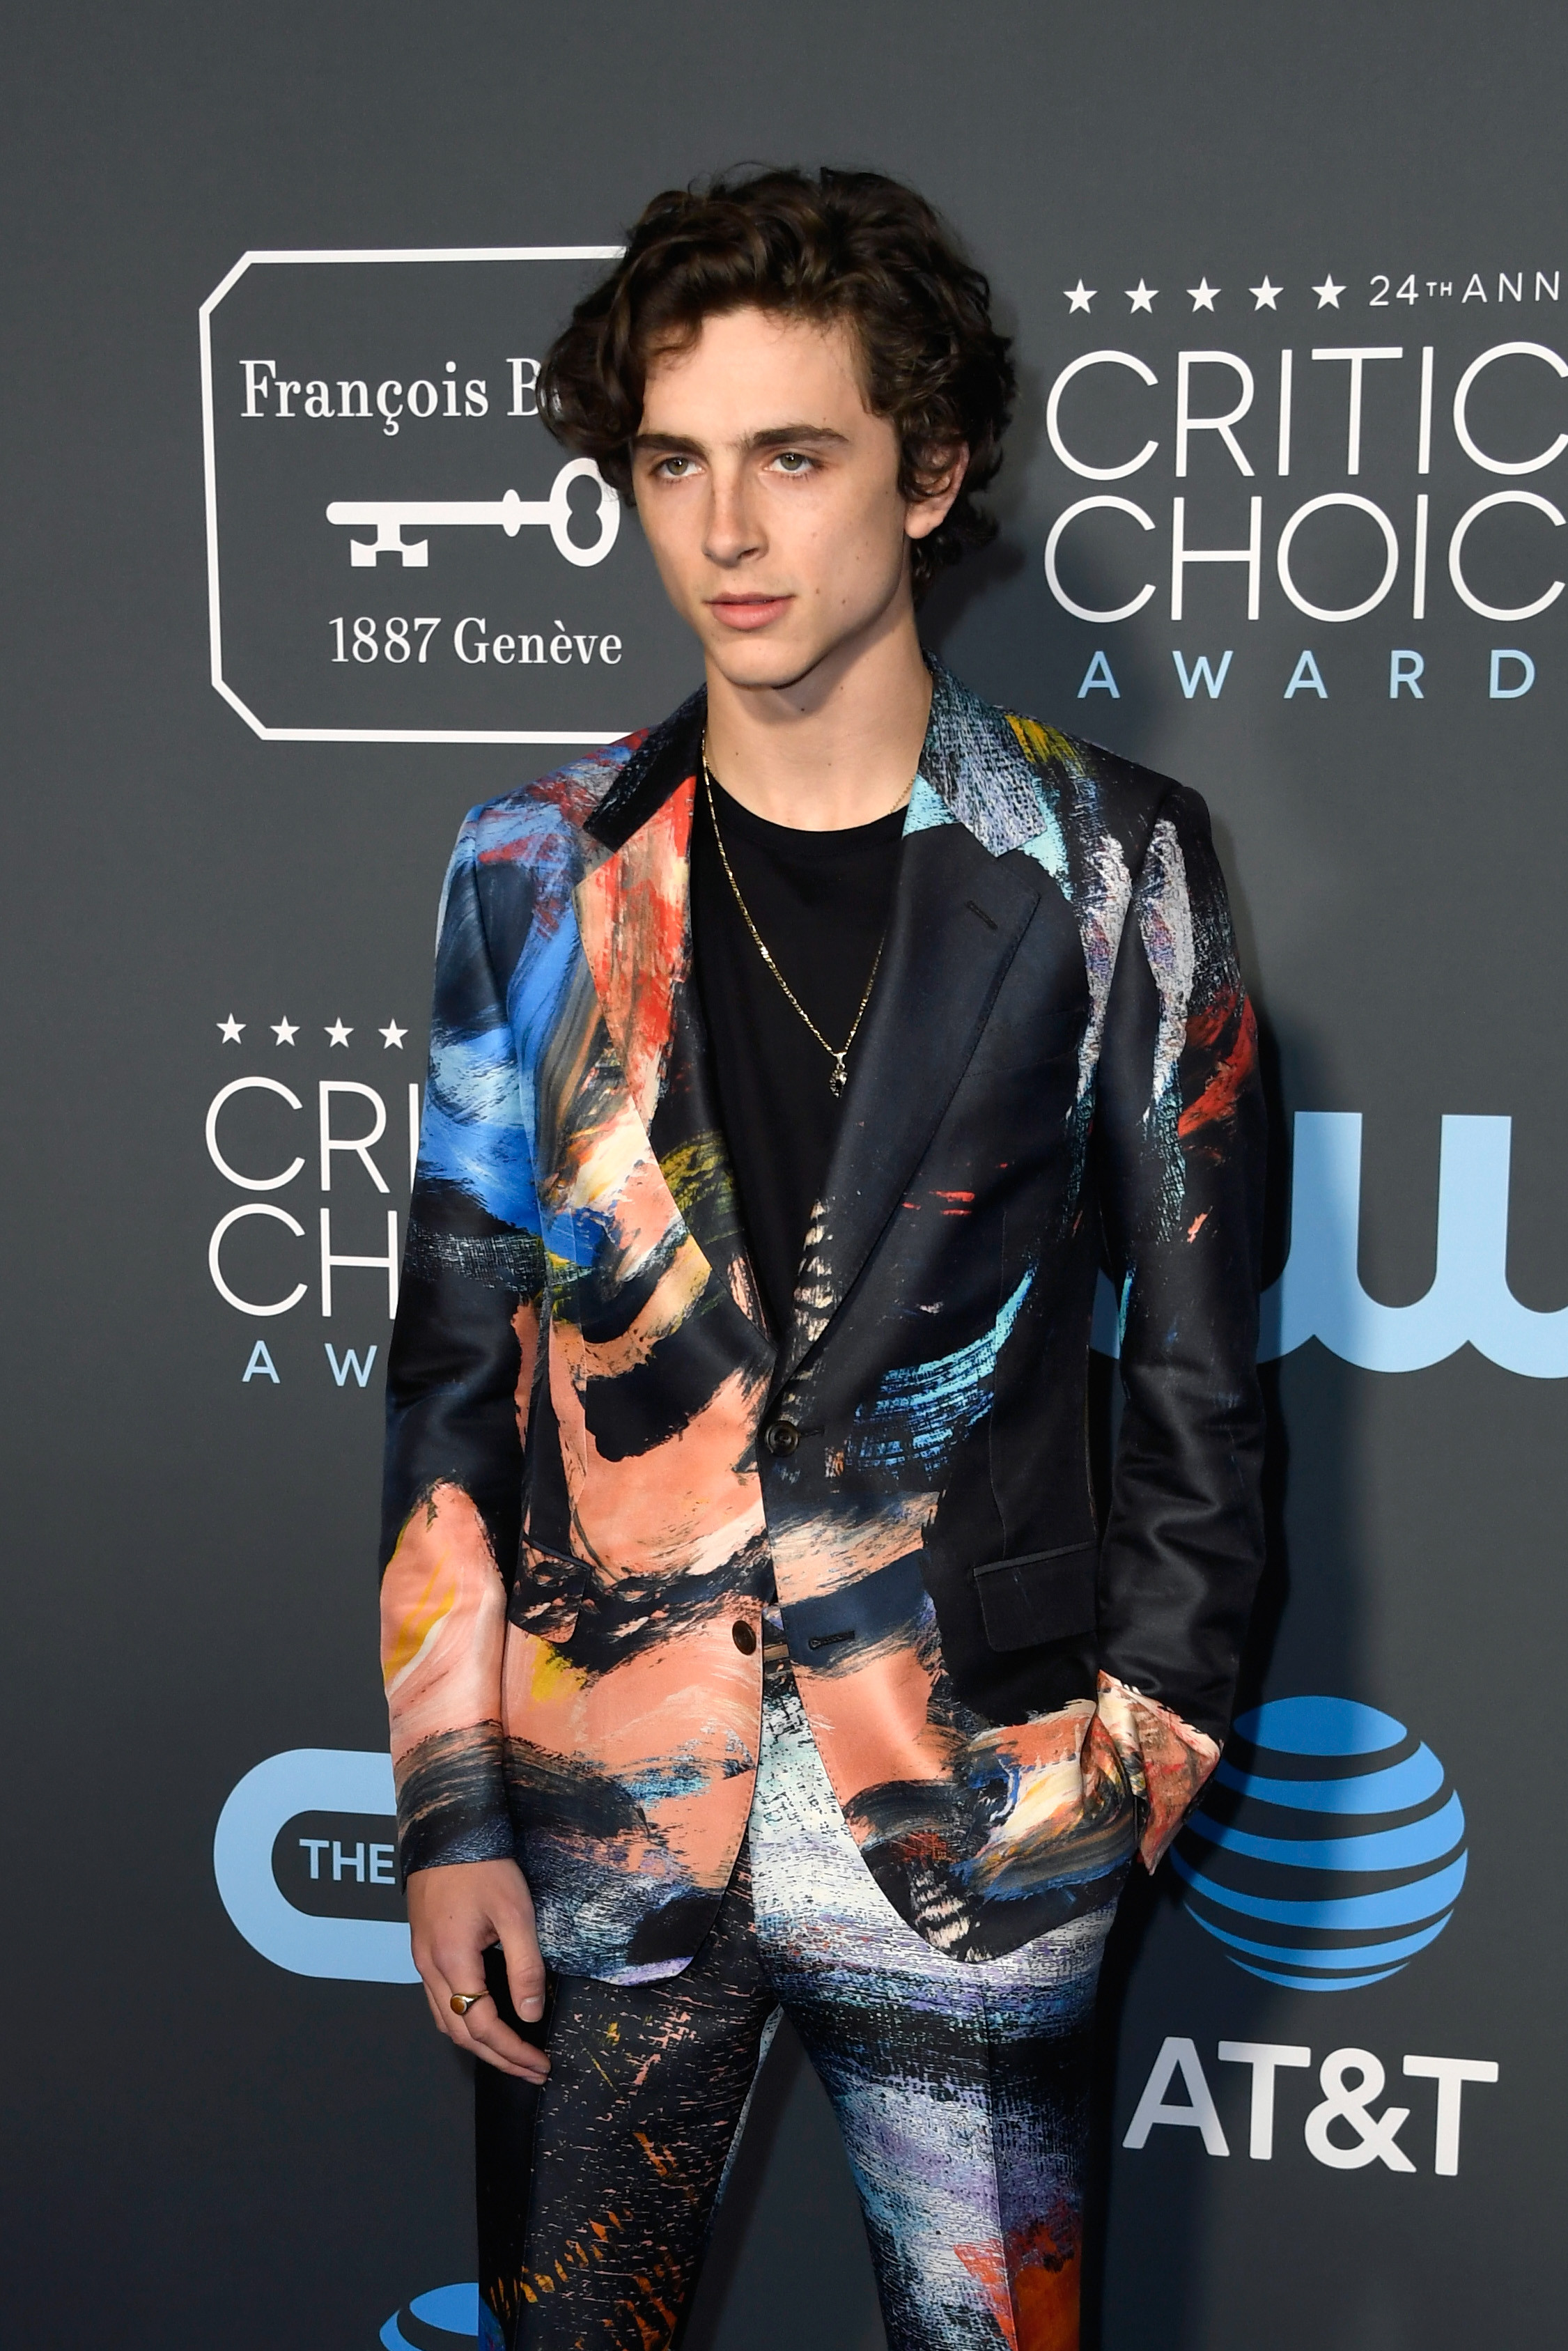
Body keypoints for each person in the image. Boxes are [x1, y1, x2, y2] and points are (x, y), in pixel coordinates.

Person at [380, 166, 1265, 2351]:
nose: (727, 530)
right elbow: (454, 1365)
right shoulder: (532, 866)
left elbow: (1198, 1373)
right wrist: (451, 1803)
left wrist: (1134, 1764)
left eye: (792, 455)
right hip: (599, 1814)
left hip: (984, 1809)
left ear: (927, 470)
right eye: (672, 464)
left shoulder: (1109, 860)